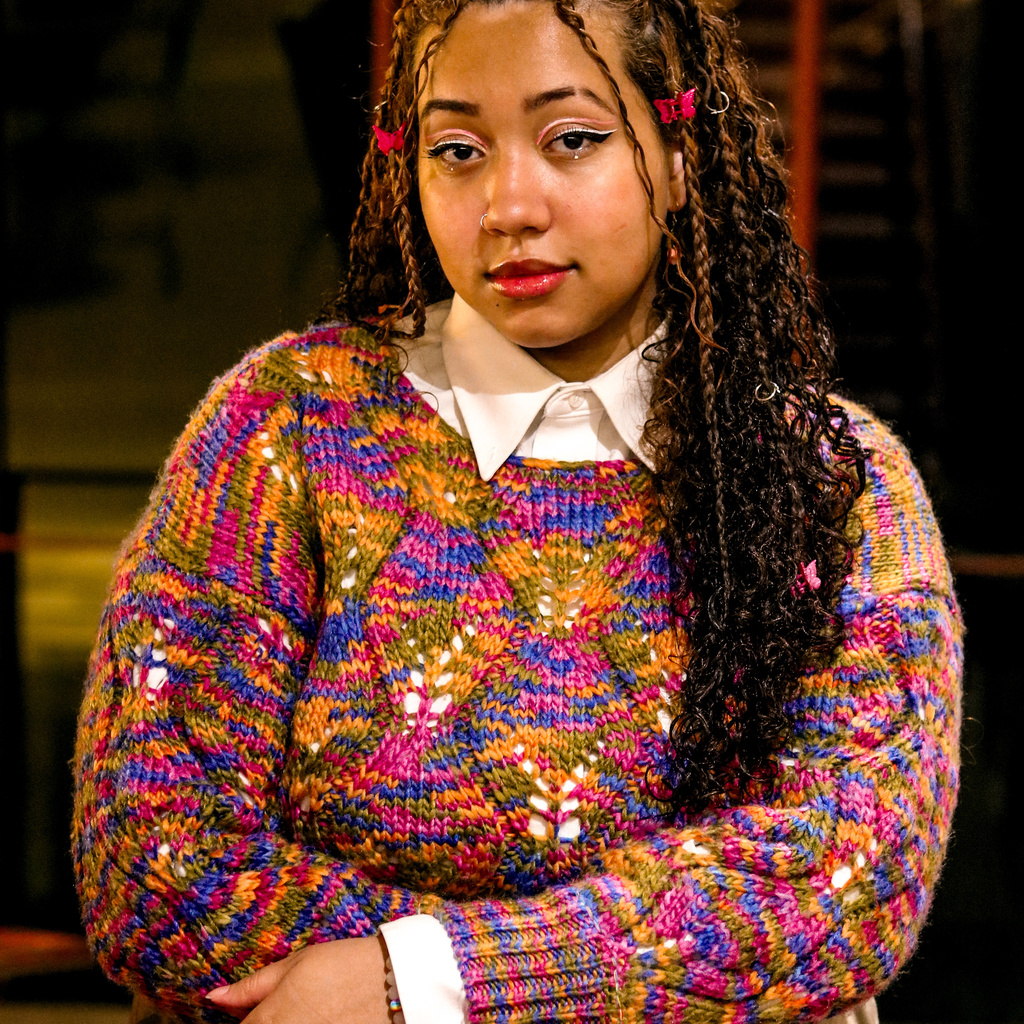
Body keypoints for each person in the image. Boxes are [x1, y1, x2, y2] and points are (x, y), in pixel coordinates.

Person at [72, 1, 963, 1022]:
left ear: (677, 152)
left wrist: (420, 980)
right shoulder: (285, 430)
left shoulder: (834, 487)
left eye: (570, 139)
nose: (507, 203)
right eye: (457, 149)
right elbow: (154, 858)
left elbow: (846, 871)